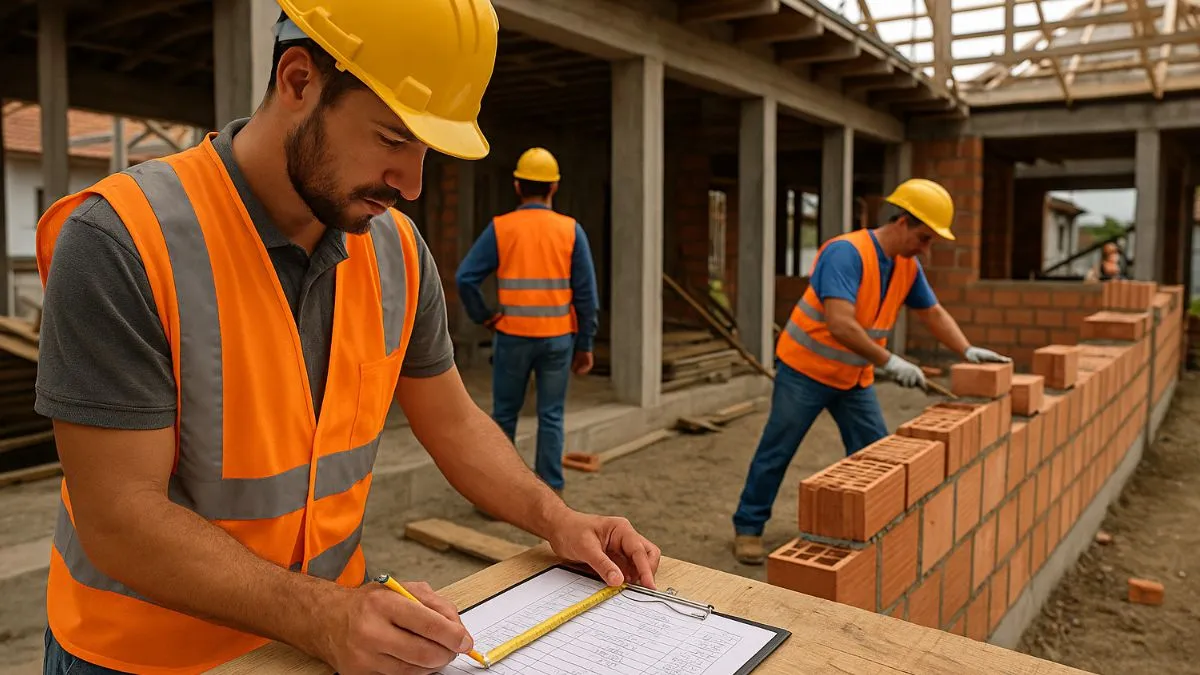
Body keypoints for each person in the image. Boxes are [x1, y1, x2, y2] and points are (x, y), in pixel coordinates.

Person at [34, 3, 659, 674]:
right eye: (393, 139)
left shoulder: (396, 252)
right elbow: (118, 517)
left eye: (426, 149)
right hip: (140, 657)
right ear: (299, 80)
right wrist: (324, 613)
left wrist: (555, 517)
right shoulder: (122, 240)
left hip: (314, 645)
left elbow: (453, 421)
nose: (413, 184)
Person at [730, 178, 1012, 564]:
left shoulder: (906, 266)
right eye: (925, 238)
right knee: (777, 449)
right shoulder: (846, 253)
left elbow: (932, 312)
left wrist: (966, 349)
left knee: (877, 453)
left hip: (853, 378)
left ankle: (877, 527)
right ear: (902, 223)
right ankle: (748, 527)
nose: (926, 250)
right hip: (805, 372)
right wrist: (892, 362)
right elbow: (840, 323)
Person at [455, 148, 599, 496]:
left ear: (518, 187)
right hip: (556, 341)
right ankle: (549, 496)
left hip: (513, 337)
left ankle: (499, 494)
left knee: (504, 415)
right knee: (550, 416)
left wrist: (485, 316)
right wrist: (585, 345)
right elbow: (586, 296)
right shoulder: (570, 231)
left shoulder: (501, 228)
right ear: (553, 188)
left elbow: (465, 278)